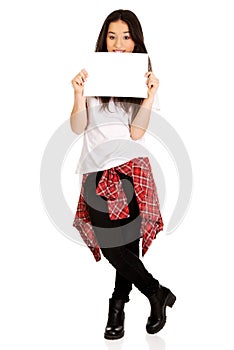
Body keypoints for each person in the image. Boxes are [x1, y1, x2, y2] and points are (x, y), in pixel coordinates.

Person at [70, 9, 176, 340]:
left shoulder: (139, 77)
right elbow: (78, 127)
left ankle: (117, 308)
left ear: (136, 41)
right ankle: (155, 293)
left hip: (130, 168)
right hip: (95, 172)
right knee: (112, 245)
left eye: (126, 37)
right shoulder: (92, 77)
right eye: (112, 36)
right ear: (104, 39)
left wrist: (150, 95)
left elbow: (136, 134)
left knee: (126, 248)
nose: (119, 44)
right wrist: (76, 94)